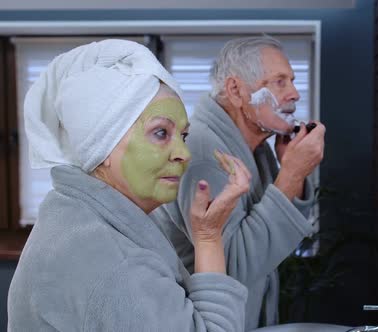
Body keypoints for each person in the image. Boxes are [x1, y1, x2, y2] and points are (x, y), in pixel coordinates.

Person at [8, 39, 251, 331]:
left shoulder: (74, 219)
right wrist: (210, 239)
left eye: (183, 136)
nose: (184, 154)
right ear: (102, 146)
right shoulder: (114, 265)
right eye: (161, 133)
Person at [151, 35, 326, 329]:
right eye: (280, 82)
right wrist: (292, 174)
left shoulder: (254, 149)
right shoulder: (207, 155)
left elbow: (274, 243)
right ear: (235, 90)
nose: (295, 93)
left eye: (293, 81)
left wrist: (291, 170)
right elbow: (232, 268)